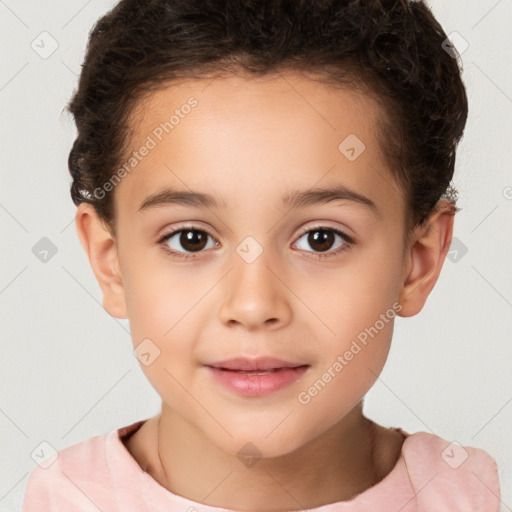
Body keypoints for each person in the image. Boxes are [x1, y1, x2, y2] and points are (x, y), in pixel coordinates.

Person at [22, 0, 500, 510]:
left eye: (321, 238)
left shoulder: (468, 494)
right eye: (191, 239)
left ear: (418, 260)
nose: (253, 306)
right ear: (109, 260)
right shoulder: (65, 500)